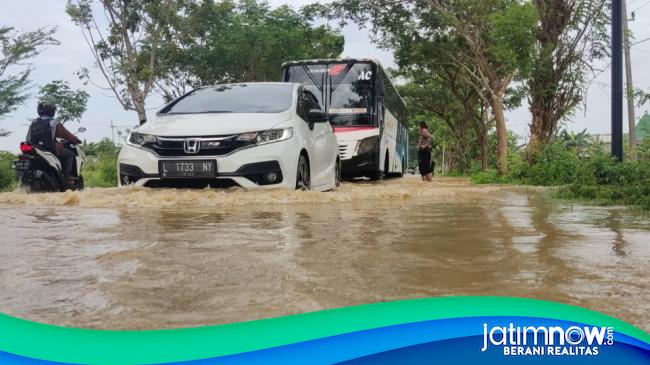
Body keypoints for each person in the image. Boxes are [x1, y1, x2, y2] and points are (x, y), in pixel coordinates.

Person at [26, 101, 83, 188]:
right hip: (49, 149)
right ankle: (68, 179)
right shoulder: (53, 122)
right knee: (70, 154)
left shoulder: (34, 122)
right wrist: (76, 140)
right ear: (51, 111)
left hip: (34, 149)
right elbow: (65, 134)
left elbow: (28, 137)